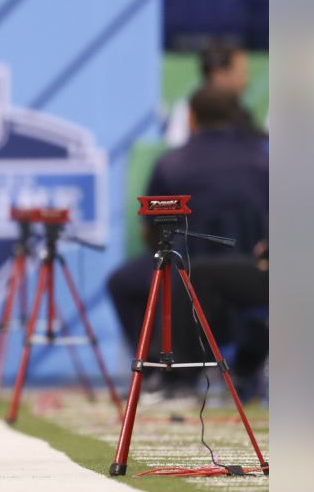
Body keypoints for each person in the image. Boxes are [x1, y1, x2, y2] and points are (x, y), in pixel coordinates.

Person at [109, 86, 268, 395]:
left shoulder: (172, 163)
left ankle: (159, 367)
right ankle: (243, 369)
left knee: (124, 283)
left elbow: (152, 229)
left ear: (192, 118)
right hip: (252, 269)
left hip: (188, 268)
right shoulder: (264, 160)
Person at [164, 41, 264, 147]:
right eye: (240, 73)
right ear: (217, 74)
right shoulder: (186, 110)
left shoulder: (242, 112)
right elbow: (176, 147)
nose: (245, 81)